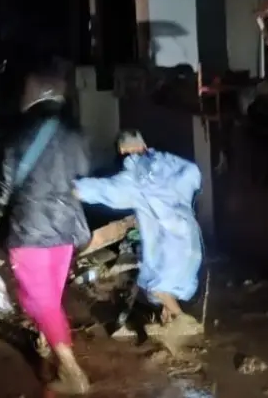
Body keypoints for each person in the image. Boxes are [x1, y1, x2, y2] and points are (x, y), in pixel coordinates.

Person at [0, 67, 92, 394]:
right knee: (51, 294)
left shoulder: (18, 137)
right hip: (67, 225)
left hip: (30, 227)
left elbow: (3, 189)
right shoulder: (76, 135)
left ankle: (72, 371)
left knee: (38, 299)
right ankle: (48, 339)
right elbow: (84, 174)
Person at [74, 130, 204, 336]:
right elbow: (193, 174)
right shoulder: (168, 161)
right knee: (169, 283)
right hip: (190, 238)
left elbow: (105, 190)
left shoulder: (135, 175)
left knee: (155, 286)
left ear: (122, 150)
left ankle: (184, 321)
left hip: (167, 241)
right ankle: (168, 322)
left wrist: (69, 189)